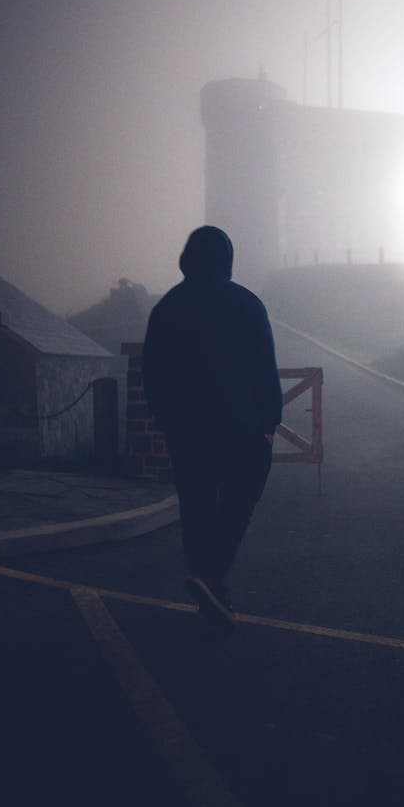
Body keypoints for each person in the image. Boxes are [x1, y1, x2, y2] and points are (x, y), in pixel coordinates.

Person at [142, 226, 282, 625]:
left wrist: (166, 419)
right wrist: (270, 421)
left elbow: (151, 372)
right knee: (240, 501)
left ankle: (209, 586)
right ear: (227, 259)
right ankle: (210, 576)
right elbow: (263, 367)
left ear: (187, 258)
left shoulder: (166, 307)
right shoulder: (247, 304)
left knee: (196, 506)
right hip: (242, 428)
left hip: (186, 430)